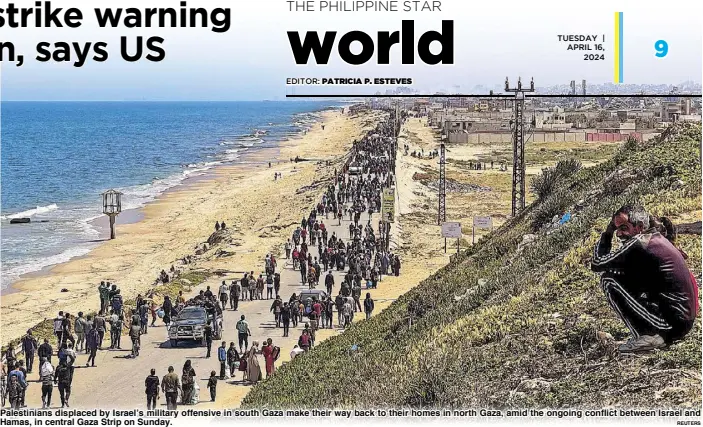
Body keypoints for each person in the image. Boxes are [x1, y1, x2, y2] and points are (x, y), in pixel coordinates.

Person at [591, 205, 699, 353]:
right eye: (617, 230)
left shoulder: (639, 243)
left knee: (608, 279)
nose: (619, 234)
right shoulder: (656, 239)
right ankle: (653, 332)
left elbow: (597, 264)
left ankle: (647, 335)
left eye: (623, 228)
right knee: (622, 274)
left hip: (672, 324)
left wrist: (608, 233)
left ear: (640, 227)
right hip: (683, 322)